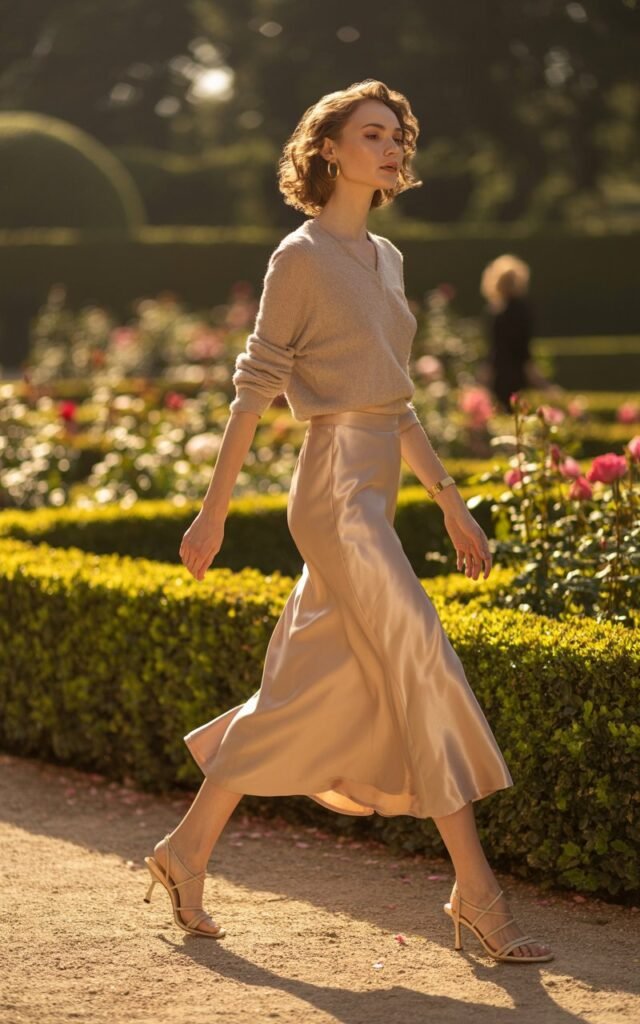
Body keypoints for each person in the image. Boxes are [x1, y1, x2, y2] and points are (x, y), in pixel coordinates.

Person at [143, 79, 553, 963]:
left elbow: (397, 405)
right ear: (328, 149)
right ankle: (478, 894)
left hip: (377, 490)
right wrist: (211, 514)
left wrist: (451, 503)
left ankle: (185, 850)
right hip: (330, 490)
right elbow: (253, 390)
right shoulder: (299, 258)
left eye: (399, 135)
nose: (393, 147)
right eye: (374, 134)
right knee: (420, 649)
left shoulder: (388, 259)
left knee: (304, 690)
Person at [480, 254, 556, 412]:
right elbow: (524, 350)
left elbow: (494, 351)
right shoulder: (524, 311)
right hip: (518, 375)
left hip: (500, 375)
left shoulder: (495, 312)